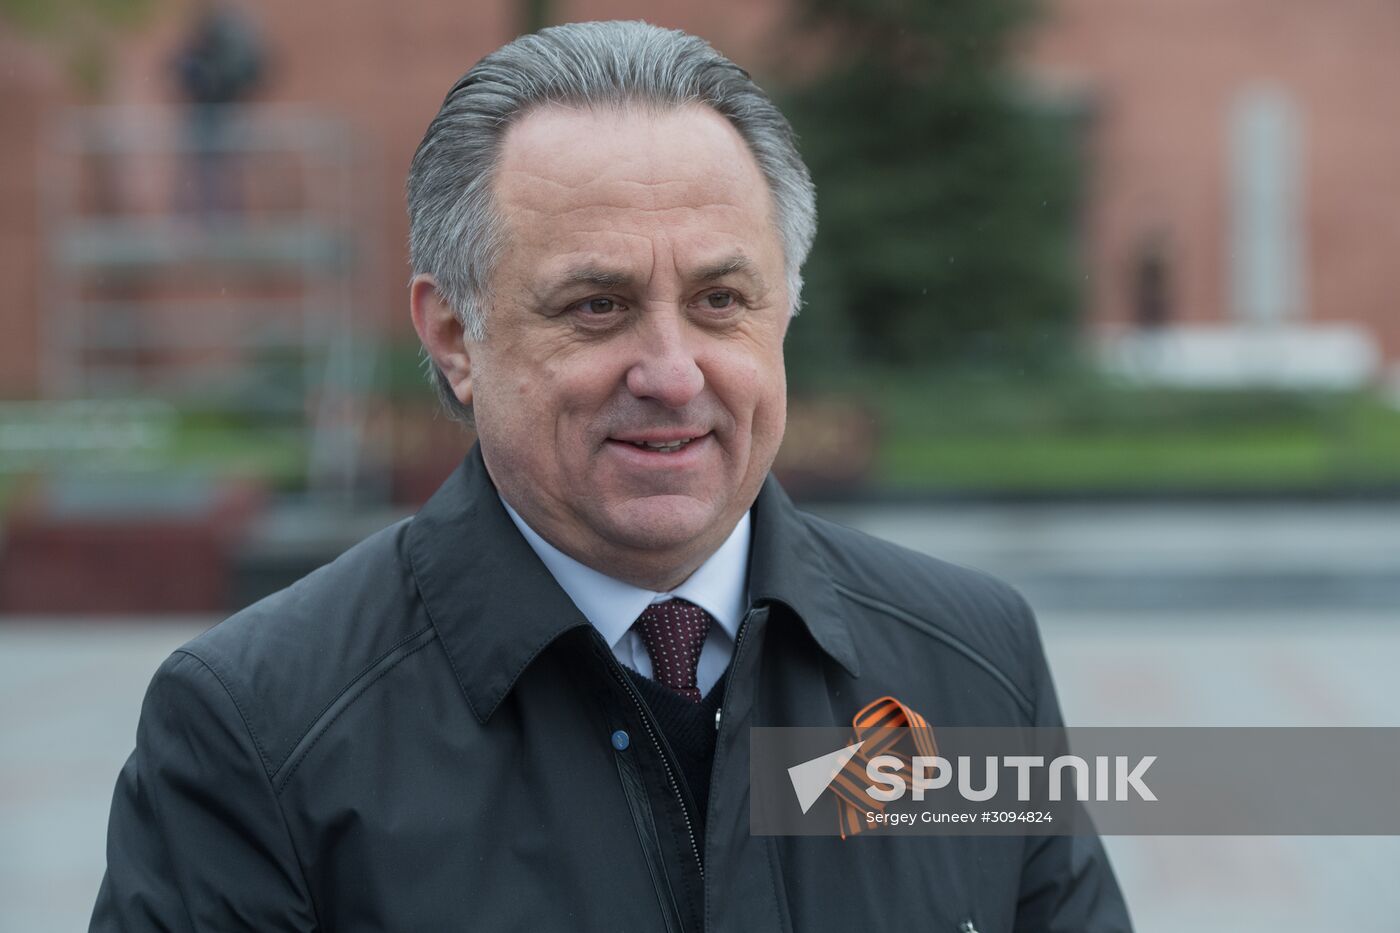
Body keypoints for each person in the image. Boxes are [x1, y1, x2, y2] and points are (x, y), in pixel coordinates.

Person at [91, 21, 1132, 932]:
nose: (672, 374)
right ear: (454, 335)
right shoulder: (257, 727)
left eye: (722, 299)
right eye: (595, 305)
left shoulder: (970, 665)